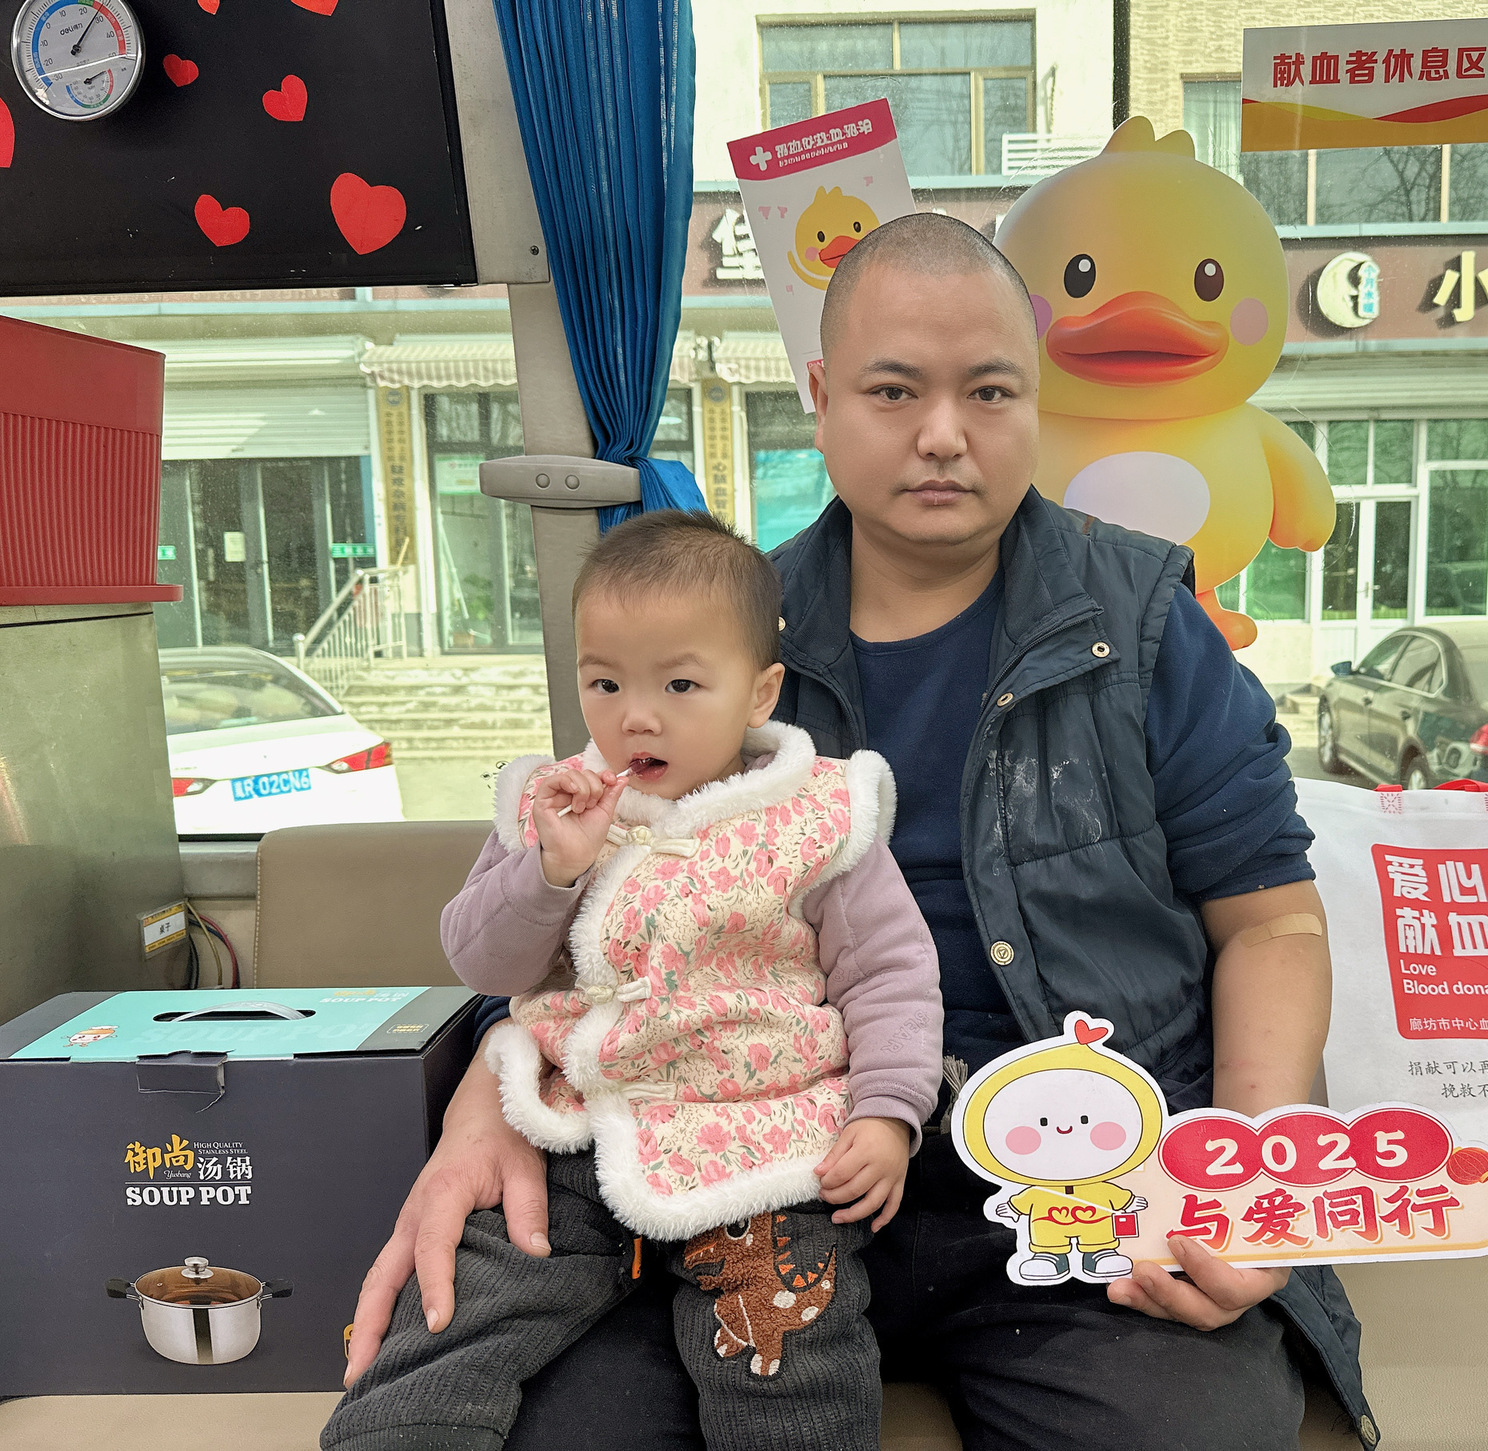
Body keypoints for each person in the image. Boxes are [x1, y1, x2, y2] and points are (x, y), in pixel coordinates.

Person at [344, 212, 1377, 1450]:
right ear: (823, 395)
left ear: (1036, 399)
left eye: (989, 390)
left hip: (1079, 1179)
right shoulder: (711, 639)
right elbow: (583, 905)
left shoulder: (1146, 621)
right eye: (894, 391)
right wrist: (480, 1108)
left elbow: (1271, 923)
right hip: (757, 1175)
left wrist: (1248, 1185)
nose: (943, 433)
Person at [324, 511, 943, 1451]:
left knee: (788, 1356)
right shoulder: (551, 804)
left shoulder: (818, 813)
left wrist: (889, 1110)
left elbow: (890, 974)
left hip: (763, 1144)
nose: (635, 715)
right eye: (604, 681)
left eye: (679, 684)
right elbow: (483, 963)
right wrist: (550, 871)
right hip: (572, 1131)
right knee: (451, 1316)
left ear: (759, 691)